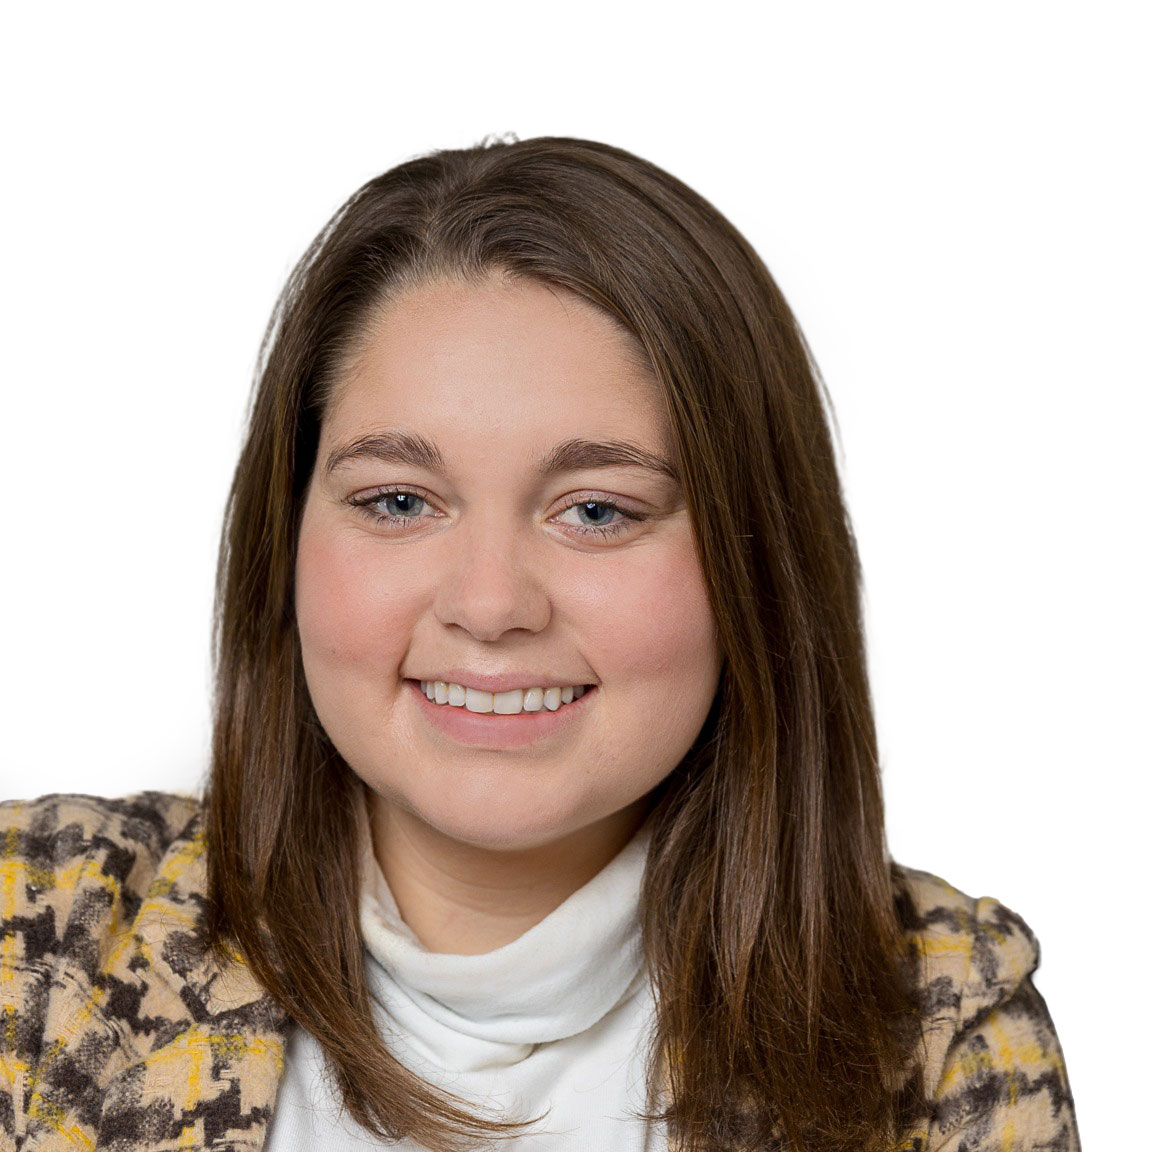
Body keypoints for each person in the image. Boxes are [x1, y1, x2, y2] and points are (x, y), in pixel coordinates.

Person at [0, 137, 1078, 1152]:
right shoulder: (36, 937)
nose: (489, 603)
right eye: (398, 501)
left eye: (598, 512)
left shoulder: (942, 1021)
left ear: (760, 565)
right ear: (285, 541)